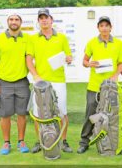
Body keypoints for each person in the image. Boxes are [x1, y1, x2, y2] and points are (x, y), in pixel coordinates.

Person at [26, 8, 73, 153]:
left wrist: (68, 59)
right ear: (38, 21)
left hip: (58, 80)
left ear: (51, 20)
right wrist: (35, 75)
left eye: (46, 17)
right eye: (41, 18)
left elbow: (69, 57)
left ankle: (63, 141)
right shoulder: (32, 39)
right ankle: (40, 141)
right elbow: (28, 60)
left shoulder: (62, 38)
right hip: (40, 82)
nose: (44, 20)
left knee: (62, 112)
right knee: (39, 113)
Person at [77, 16, 122, 154]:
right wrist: (89, 63)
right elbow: (84, 61)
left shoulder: (118, 44)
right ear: (98, 28)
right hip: (94, 86)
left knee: (112, 115)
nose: (104, 28)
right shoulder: (92, 42)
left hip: (112, 87)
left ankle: (113, 142)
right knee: (91, 114)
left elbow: (121, 63)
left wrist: (115, 75)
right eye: (101, 25)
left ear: (111, 27)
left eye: (107, 25)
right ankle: (84, 142)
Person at [0, 13, 30, 155]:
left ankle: (21, 141)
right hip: (4, 83)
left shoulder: (27, 39)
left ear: (20, 22)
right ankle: (6, 143)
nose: (14, 22)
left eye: (16, 19)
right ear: (7, 22)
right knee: (5, 115)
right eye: (11, 19)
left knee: (22, 114)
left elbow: (30, 59)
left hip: (22, 83)